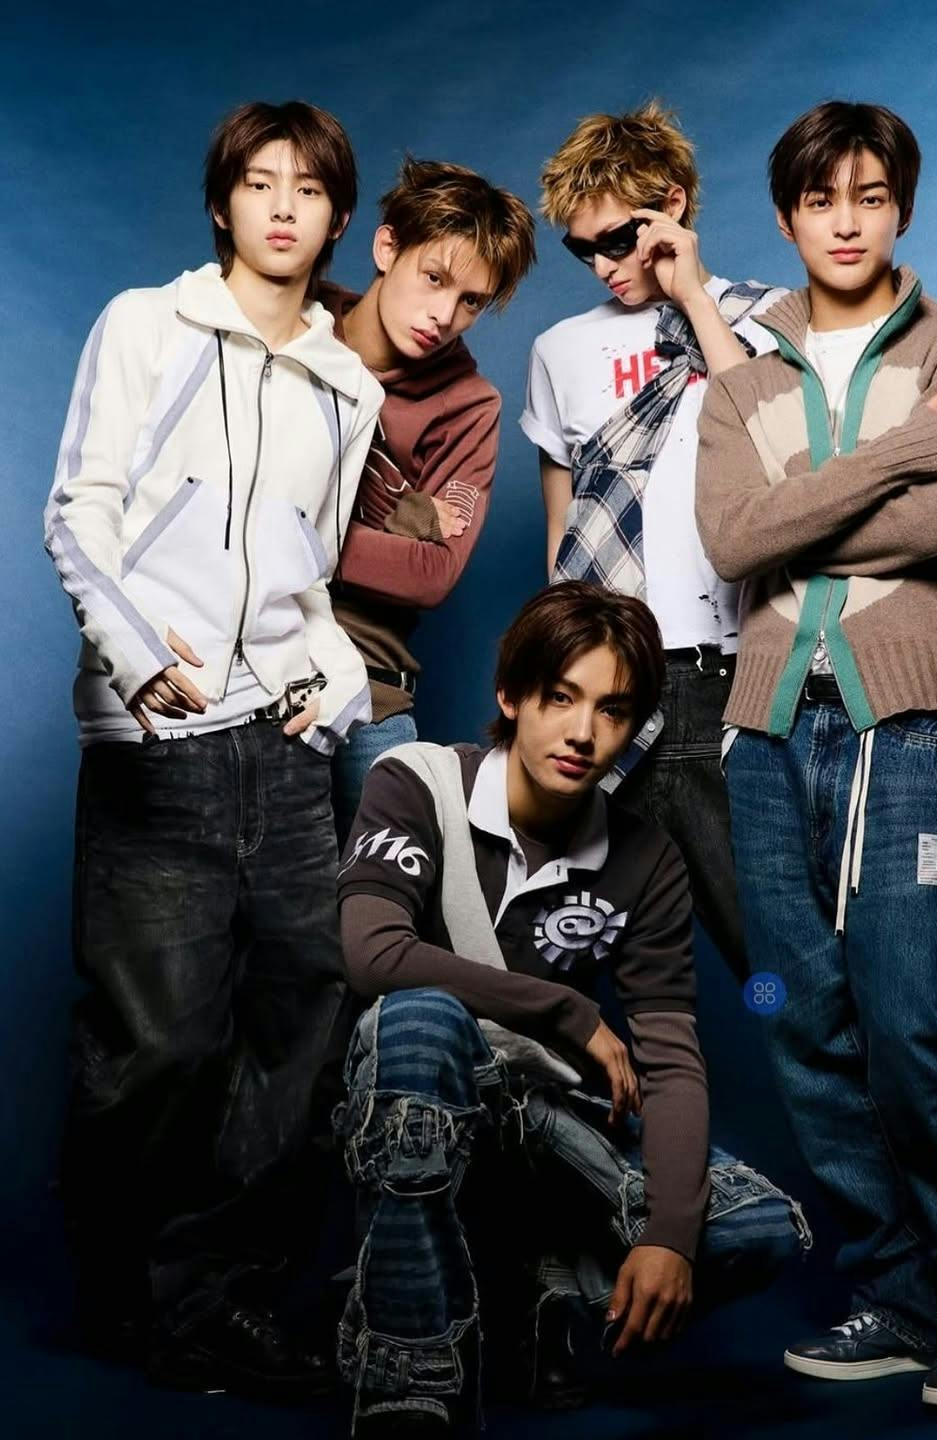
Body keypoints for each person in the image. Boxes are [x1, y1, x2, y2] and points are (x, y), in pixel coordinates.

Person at [694, 100, 937, 1413]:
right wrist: (907, 448)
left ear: (900, 206)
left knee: (911, 1017)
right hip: (764, 735)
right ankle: (898, 1289)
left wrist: (804, 508)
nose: (845, 222)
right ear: (786, 216)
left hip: (903, 731)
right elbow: (733, 543)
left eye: (869, 196)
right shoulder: (742, 384)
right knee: (798, 1023)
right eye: (819, 199)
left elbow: (927, 531)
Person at [44, 99, 383, 1395]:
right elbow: (79, 512)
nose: (283, 206)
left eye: (309, 188)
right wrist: (137, 654)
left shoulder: (348, 384)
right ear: (222, 202)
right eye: (259, 181)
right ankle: (124, 1292)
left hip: (285, 753)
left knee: (304, 1023)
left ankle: (221, 1296)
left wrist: (338, 678)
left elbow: (310, 575)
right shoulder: (148, 324)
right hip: (156, 741)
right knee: (159, 1044)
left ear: (337, 217)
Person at [333, 581, 810, 1436]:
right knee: (418, 1018)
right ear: (511, 696)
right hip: (414, 1104)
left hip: (539, 1124)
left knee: (758, 1229)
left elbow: (670, 1058)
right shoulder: (415, 782)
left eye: (613, 710)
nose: (584, 733)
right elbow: (374, 953)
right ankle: (412, 1373)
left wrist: (669, 1238)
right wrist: (562, 1010)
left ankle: (529, 1291)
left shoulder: (644, 856)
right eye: (561, 697)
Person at [520, 100, 785, 984]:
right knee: (567, 944)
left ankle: (804, 1056)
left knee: (766, 951)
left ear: (671, 205)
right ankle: (588, 1077)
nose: (604, 266)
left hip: (728, 677)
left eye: (618, 239)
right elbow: (563, 534)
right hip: (603, 683)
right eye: (583, 250)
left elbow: (773, 441)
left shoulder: (766, 317)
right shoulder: (560, 349)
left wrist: (693, 295)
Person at [319, 159, 536, 848]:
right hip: (243, 675)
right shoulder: (297, 324)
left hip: (370, 695)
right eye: (435, 278)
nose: (445, 316)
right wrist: (400, 516)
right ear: (388, 248)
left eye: (471, 301)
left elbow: (431, 573)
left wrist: (288, 530)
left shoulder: (469, 406)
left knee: (383, 904)